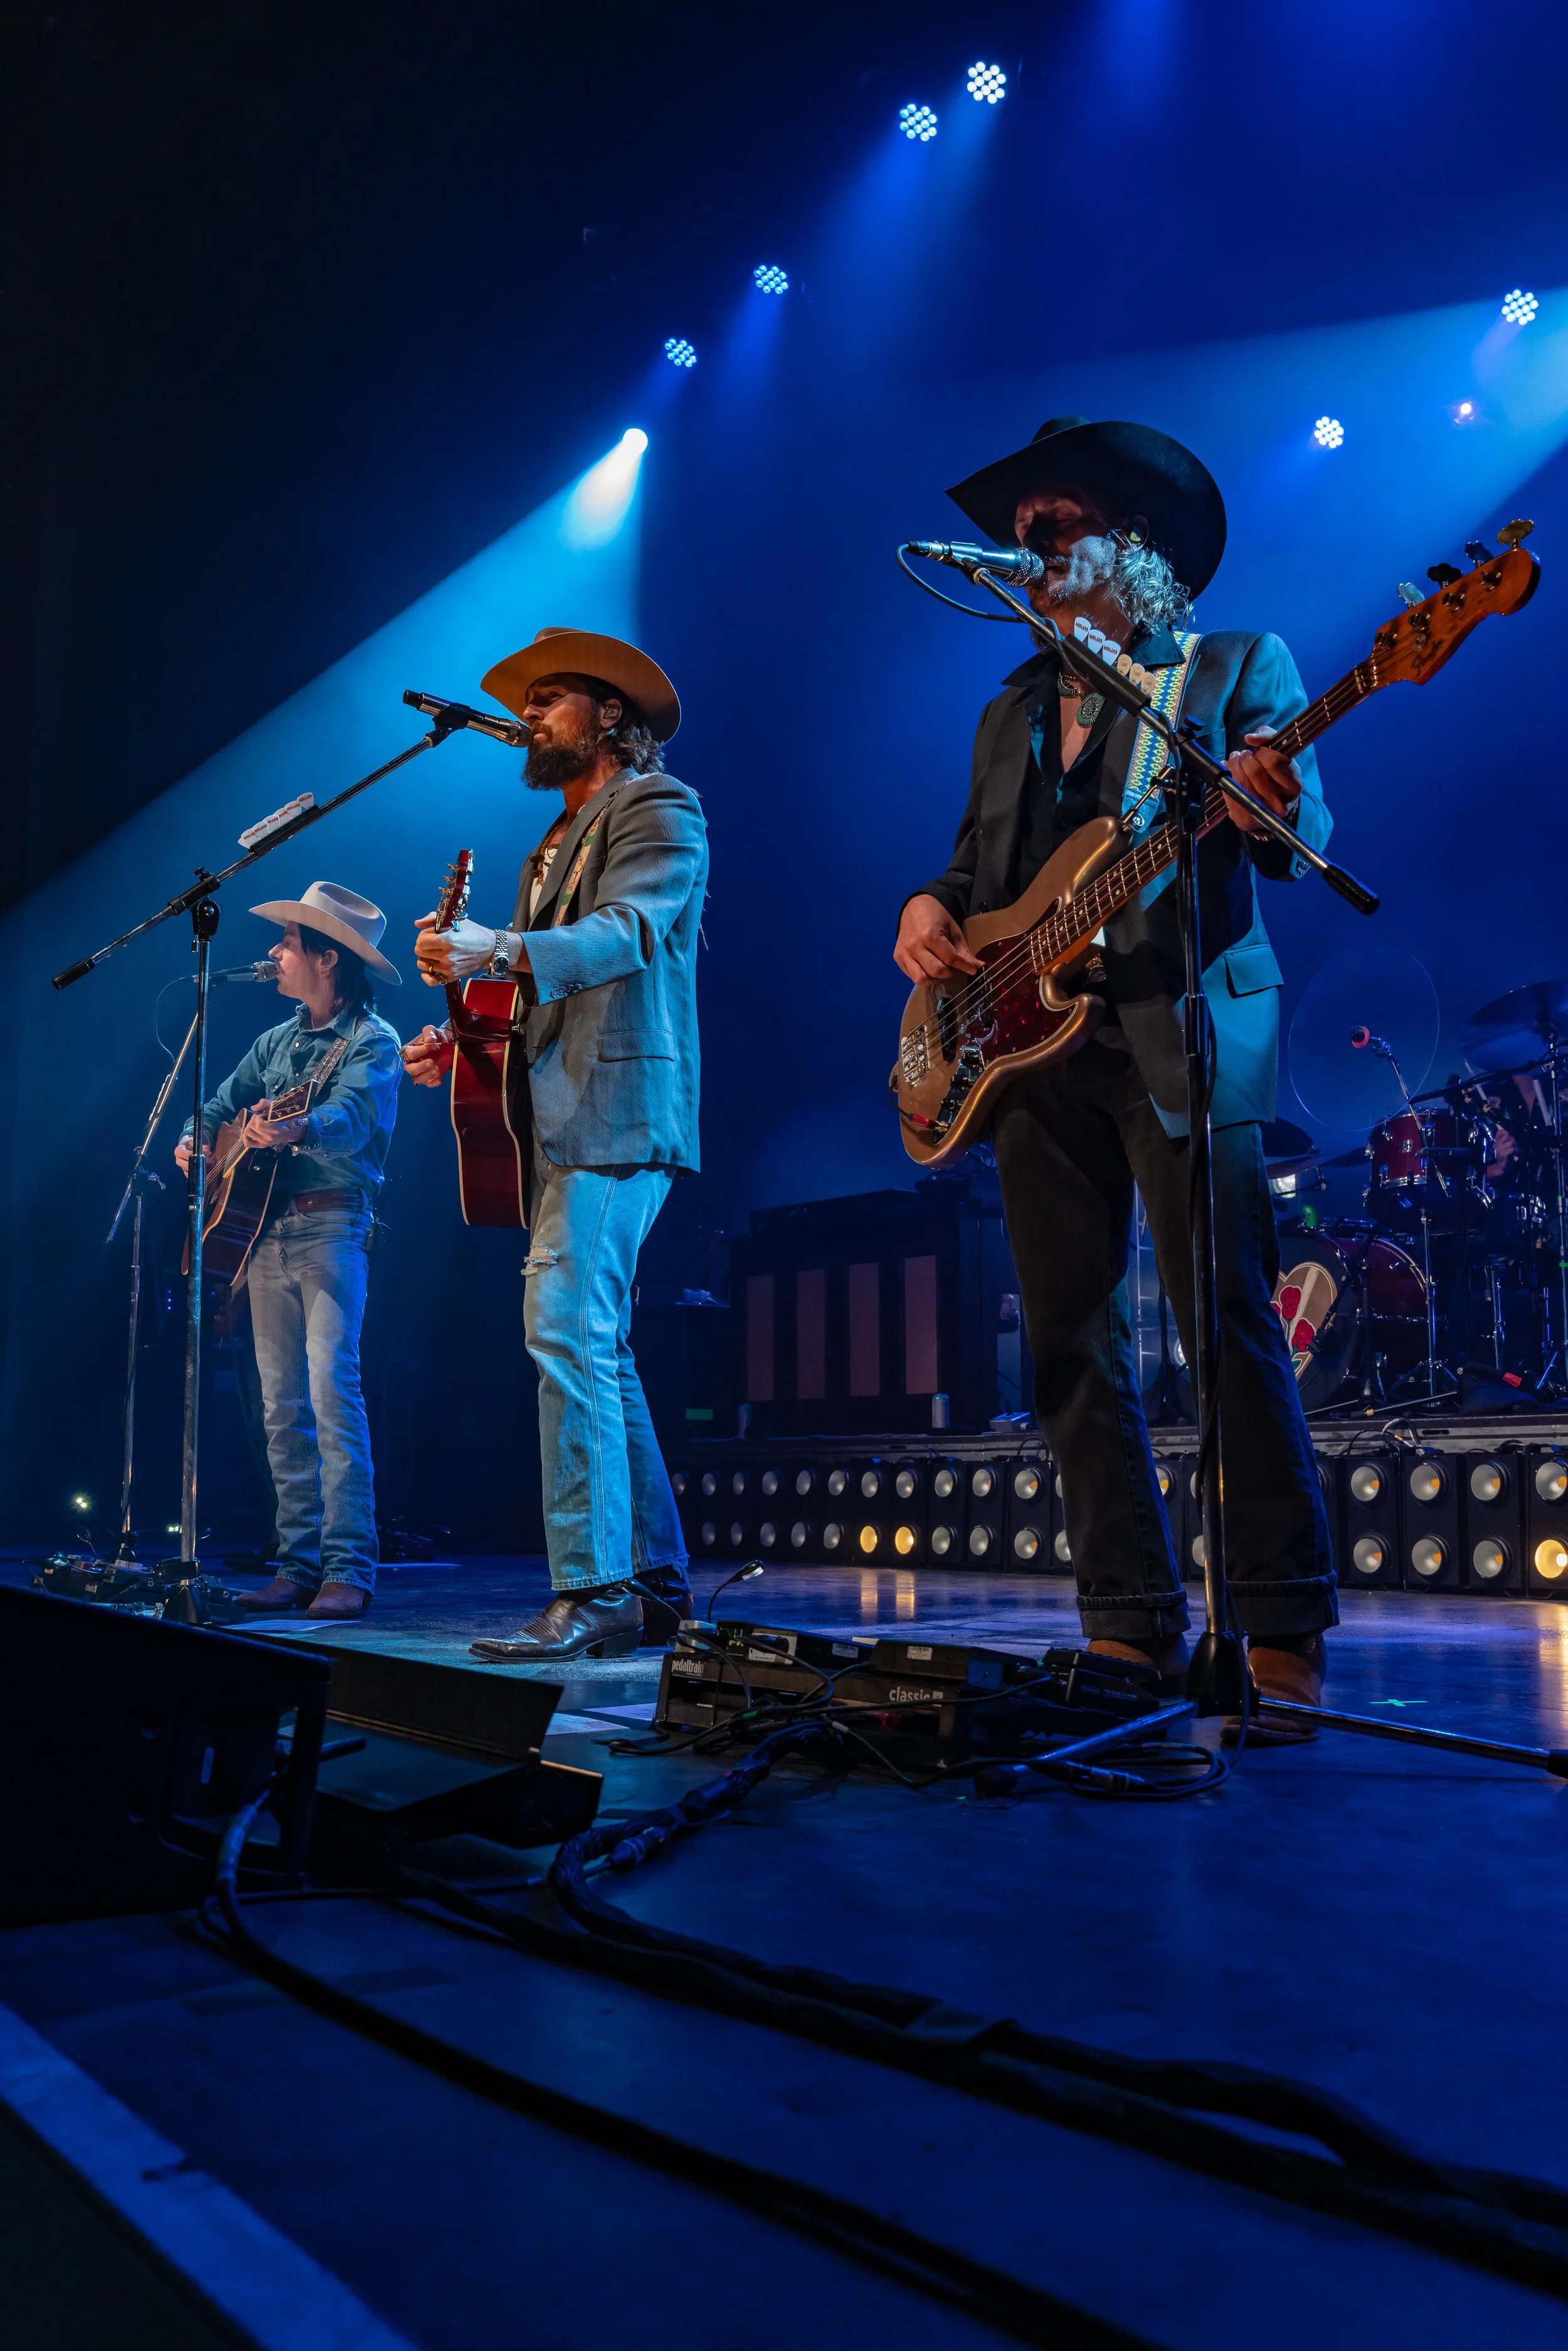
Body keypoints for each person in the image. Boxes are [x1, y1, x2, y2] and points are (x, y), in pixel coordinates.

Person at [894, 415, 1337, 1736]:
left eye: (1054, 523)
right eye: (1020, 531)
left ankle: (1276, 1620)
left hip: (1176, 1027)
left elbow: (1293, 830)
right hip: (1028, 1057)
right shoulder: (1009, 711)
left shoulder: (1223, 668)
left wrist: (1262, 799)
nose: (1025, 546)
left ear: (1135, 548)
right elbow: (976, 879)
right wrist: (923, 909)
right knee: (1068, 1347)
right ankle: (1126, 1624)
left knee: (1226, 1326)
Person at [402, 627, 704, 1661]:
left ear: (610, 715)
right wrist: (465, 1034)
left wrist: (501, 945)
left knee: (565, 1332)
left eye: (550, 699)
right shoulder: (546, 845)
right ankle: (654, 1583)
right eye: (527, 703)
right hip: (562, 1115)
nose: (529, 715)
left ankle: (591, 1585)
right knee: (595, 1344)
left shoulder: (660, 807)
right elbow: (535, 993)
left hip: (620, 1114)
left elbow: (628, 933)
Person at [177, 883, 403, 1620]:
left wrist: (299, 1129)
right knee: (280, 1404)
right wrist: (196, 1139)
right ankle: (296, 1560)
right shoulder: (274, 1043)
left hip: (333, 1228)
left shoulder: (373, 1041)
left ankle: (349, 1565)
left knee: (332, 1394)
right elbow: (217, 1106)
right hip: (263, 1233)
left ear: (327, 959)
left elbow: (352, 1119)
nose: (273, 954)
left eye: (287, 944)